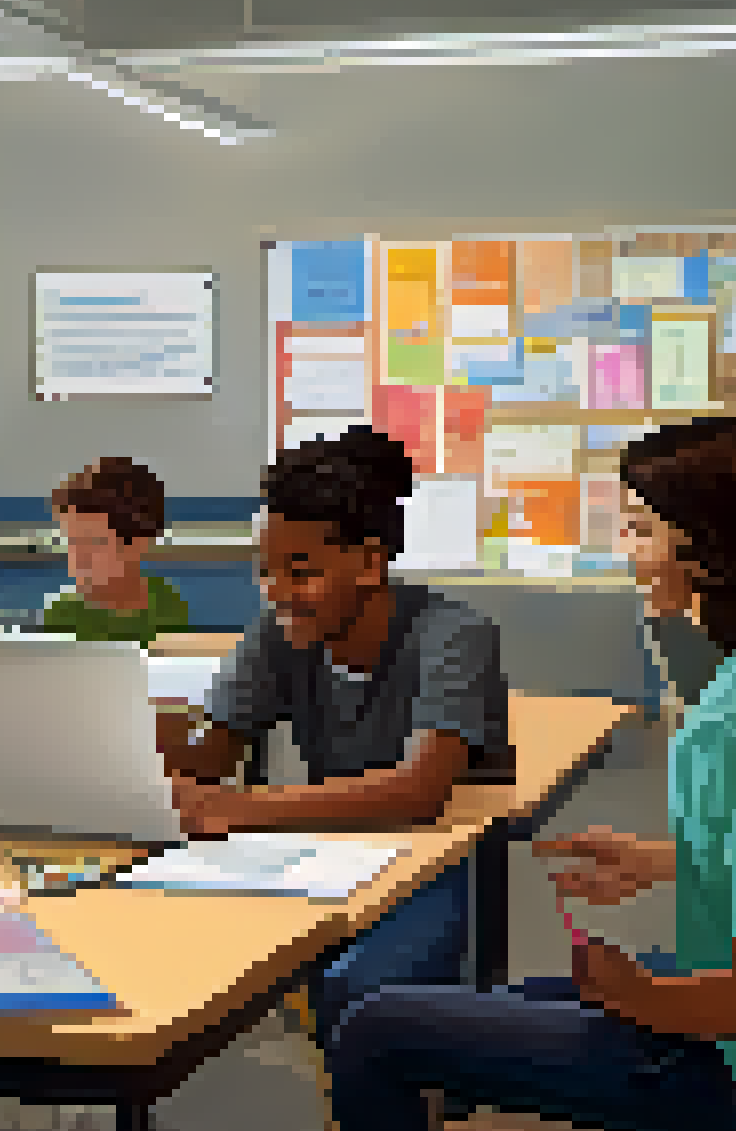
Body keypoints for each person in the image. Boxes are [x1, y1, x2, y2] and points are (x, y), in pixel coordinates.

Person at [321, 417, 736, 1131]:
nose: (629, 553)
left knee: (373, 1031)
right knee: (500, 1003)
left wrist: (636, 996)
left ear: (710, 552)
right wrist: (669, 860)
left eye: (641, 531)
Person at [154, 427, 512, 1050]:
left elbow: (419, 793)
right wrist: (116, 724)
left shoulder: (454, 634)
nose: (277, 591)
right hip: (326, 855)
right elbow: (208, 756)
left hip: (433, 864)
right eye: (265, 572)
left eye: (301, 572)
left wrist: (236, 807)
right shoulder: (278, 630)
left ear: (370, 563)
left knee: (356, 992)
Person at [40, 457, 189, 644]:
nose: (78, 557)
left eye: (94, 542)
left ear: (139, 543)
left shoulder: (167, 605)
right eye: (72, 541)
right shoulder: (63, 613)